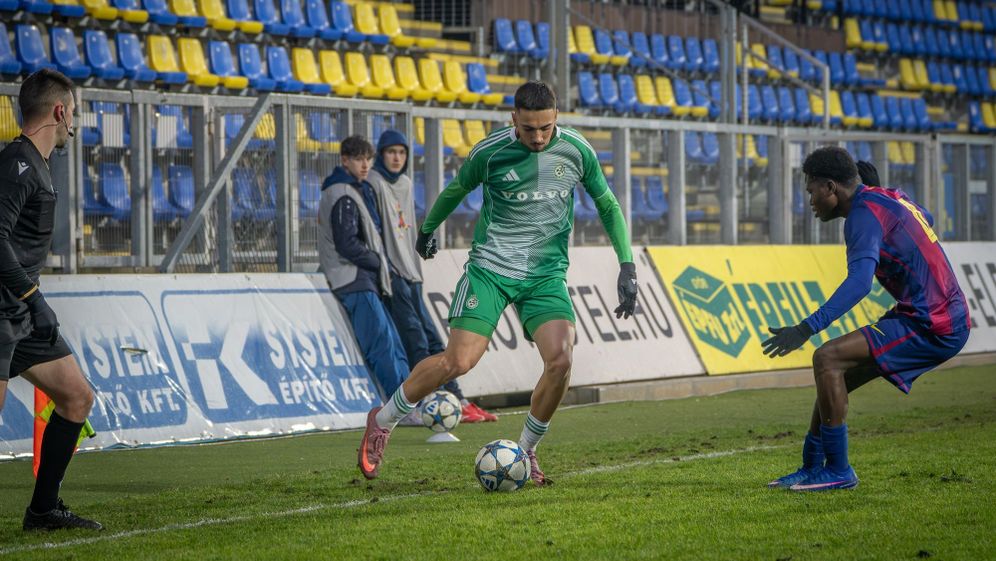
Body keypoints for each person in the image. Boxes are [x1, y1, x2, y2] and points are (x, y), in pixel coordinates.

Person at [357, 81, 638, 484]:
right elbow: (457, 189)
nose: (538, 137)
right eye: (529, 129)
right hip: (490, 271)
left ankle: (525, 452)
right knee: (459, 362)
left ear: (556, 117)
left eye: (545, 128)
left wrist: (626, 265)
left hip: (544, 275)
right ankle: (382, 421)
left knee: (560, 360)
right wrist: (428, 228)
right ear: (513, 121)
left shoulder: (576, 150)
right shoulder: (490, 153)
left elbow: (608, 205)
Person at [763, 148, 970, 491]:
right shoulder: (889, 197)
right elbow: (927, 217)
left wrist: (805, 329)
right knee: (835, 373)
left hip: (935, 323)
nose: (810, 200)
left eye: (811, 190)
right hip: (931, 312)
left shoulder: (862, 216)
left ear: (830, 187)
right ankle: (812, 467)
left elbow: (859, 284)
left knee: (826, 357)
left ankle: (839, 470)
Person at [0, 69, 102, 530]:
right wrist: (31, 296)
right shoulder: (17, 163)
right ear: (60, 111)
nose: (74, 122)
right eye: (74, 111)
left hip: (17, 311)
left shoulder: (37, 164)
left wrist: (29, 302)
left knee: (76, 397)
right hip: (5, 308)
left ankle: (42, 511)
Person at [367, 129, 497, 423]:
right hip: (394, 275)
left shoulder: (407, 183)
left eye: (401, 153)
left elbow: (408, 226)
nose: (397, 158)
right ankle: (430, 401)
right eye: (391, 152)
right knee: (416, 341)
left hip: (412, 272)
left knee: (436, 340)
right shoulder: (373, 183)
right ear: (381, 155)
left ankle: (458, 400)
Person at [318, 135, 409, 401]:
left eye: (368, 158)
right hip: (352, 278)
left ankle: (408, 401)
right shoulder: (342, 192)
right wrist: (378, 261)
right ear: (345, 160)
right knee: (381, 342)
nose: (365, 164)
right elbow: (346, 244)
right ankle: (398, 405)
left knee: (392, 341)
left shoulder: (354, 189)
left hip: (363, 277)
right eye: (358, 159)